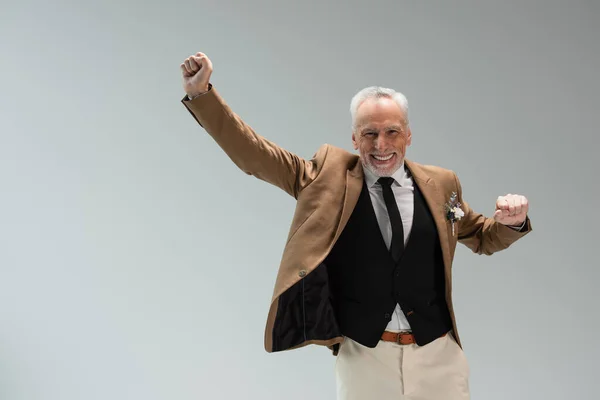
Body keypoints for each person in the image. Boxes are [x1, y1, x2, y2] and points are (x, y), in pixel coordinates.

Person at [179, 51, 532, 400]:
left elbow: (484, 237)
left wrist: (511, 223)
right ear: (353, 138)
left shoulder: (441, 184)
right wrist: (202, 95)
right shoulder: (325, 176)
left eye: (392, 132)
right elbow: (255, 153)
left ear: (409, 135)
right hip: (366, 357)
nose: (381, 145)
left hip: (439, 355)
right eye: (369, 133)